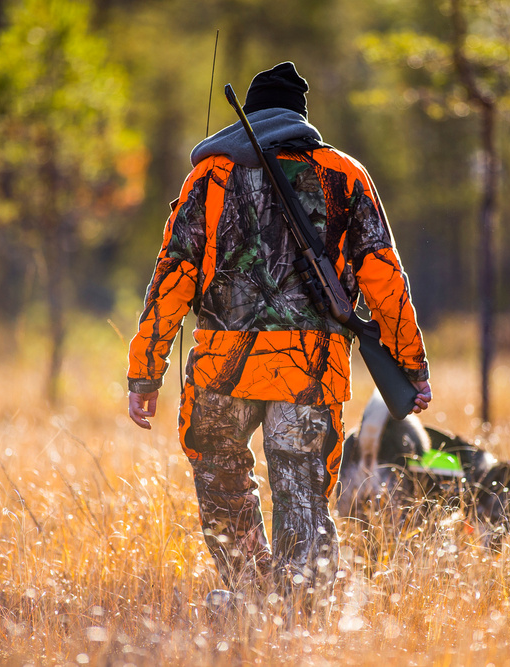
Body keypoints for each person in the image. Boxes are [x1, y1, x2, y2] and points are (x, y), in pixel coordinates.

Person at [126, 62, 431, 612]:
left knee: (221, 484)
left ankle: (252, 595)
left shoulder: (209, 177)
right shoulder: (344, 173)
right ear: (299, 117)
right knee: (303, 496)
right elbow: (384, 278)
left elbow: (171, 276)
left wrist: (146, 372)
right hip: (307, 372)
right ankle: (296, 613)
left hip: (221, 370)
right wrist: (412, 367)